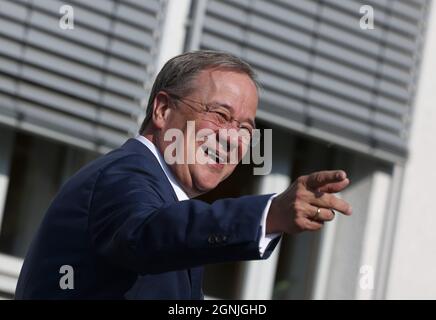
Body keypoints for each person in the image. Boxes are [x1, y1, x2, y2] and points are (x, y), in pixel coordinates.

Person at [15, 50, 352, 299]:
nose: (233, 138)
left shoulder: (166, 199)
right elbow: (147, 233)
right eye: (220, 115)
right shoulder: (122, 175)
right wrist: (269, 214)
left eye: (246, 129)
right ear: (162, 110)